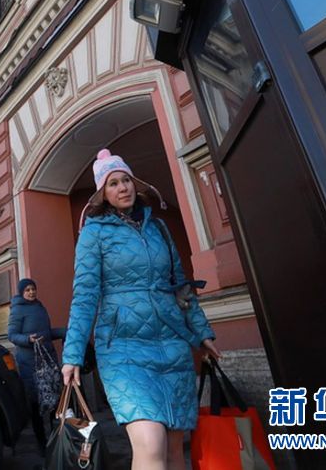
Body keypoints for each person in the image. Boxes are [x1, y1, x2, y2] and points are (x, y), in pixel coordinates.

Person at [61, 148, 222, 470]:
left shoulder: (158, 228)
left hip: (172, 344)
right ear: (103, 194)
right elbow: (85, 295)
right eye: (113, 183)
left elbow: (181, 286)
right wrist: (73, 353)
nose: (123, 188)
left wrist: (202, 333)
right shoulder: (93, 233)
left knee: (174, 449)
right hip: (123, 348)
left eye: (126, 180)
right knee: (150, 443)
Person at [7, 278, 65, 449]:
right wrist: (28, 339)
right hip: (30, 363)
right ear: (21, 292)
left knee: (53, 398)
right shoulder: (17, 309)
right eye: (27, 290)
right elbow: (12, 335)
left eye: (33, 289)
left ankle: (56, 438)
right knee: (36, 402)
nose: (31, 292)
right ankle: (41, 442)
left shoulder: (39, 306)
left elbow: (45, 333)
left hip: (47, 360)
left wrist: (64, 331)